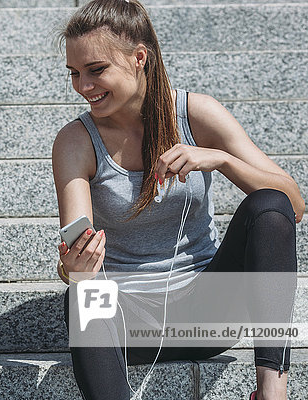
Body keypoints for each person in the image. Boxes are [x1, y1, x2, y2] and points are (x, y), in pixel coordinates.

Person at [52, 1, 304, 399]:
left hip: (208, 313)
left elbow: (294, 205)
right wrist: (74, 268)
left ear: (139, 58)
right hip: (128, 320)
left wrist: (222, 160)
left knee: (267, 205)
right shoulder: (75, 141)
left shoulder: (196, 113)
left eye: (96, 70)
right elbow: (77, 252)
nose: (83, 86)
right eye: (74, 73)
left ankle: (273, 391)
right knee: (83, 293)